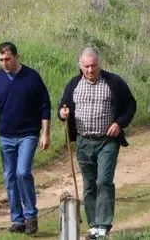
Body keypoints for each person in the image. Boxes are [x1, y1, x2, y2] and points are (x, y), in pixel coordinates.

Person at [58, 47, 137, 240]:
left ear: (99, 64)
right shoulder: (74, 84)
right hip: (83, 141)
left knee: (104, 181)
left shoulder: (114, 82)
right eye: (86, 66)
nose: (90, 70)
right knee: (89, 184)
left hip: (107, 141)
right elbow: (63, 107)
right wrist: (62, 113)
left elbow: (130, 105)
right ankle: (93, 224)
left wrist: (119, 123)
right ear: (80, 65)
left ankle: (104, 224)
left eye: (93, 65)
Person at [0, 42, 52, 234]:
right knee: (10, 177)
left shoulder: (32, 77)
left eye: (7, 59)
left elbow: (45, 106)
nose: (4, 63)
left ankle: (30, 216)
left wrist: (46, 133)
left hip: (28, 134)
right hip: (6, 136)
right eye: (1, 60)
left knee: (22, 172)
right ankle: (17, 220)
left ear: (16, 57)